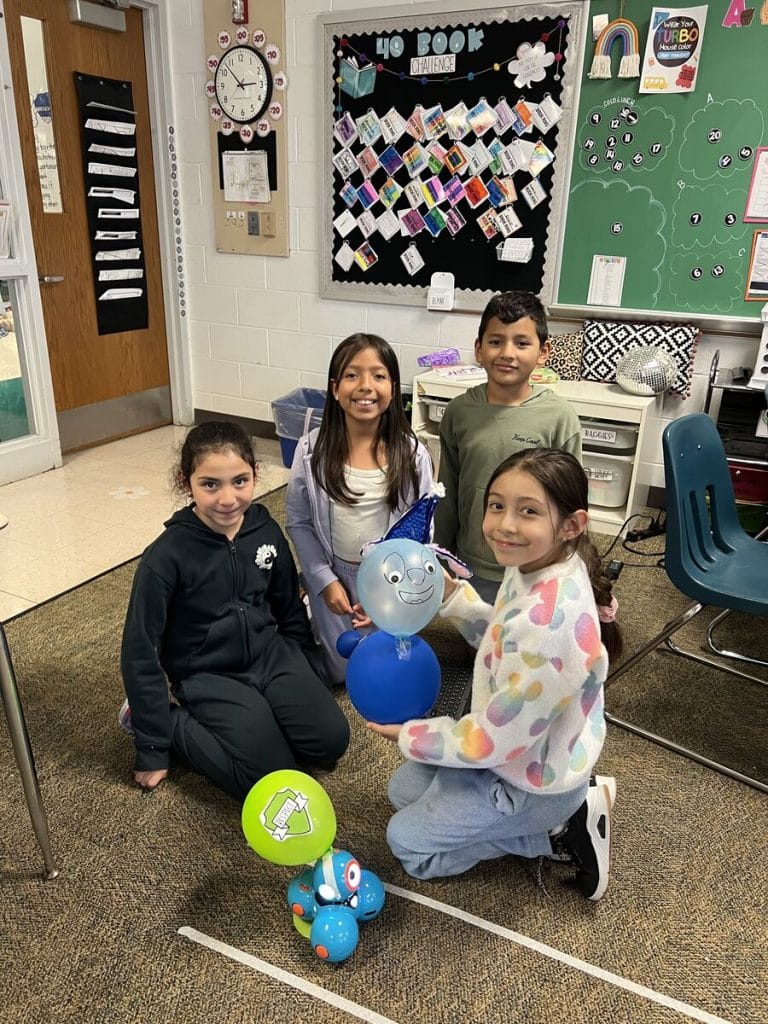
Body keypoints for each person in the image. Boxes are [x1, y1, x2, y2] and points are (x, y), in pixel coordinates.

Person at [369, 448, 622, 900]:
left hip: (525, 781)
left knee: (407, 844)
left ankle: (559, 830)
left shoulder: (549, 629)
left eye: (528, 511)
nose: (505, 524)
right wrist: (454, 599)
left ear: (571, 525)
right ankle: (557, 812)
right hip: (523, 747)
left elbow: (492, 741)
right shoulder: (537, 564)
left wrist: (410, 735)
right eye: (497, 505)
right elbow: (506, 639)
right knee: (403, 791)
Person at [119, 421, 350, 800]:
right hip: (207, 673)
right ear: (186, 482)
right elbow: (139, 649)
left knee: (330, 745)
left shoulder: (265, 530)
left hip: (270, 658)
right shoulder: (165, 557)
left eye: (240, 481)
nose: (228, 498)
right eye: (211, 484)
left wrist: (309, 675)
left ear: (255, 475)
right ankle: (169, 722)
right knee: (270, 781)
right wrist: (153, 745)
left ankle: (265, 718)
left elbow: (289, 608)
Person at [286, 332, 434, 685]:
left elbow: (422, 529)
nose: (365, 386)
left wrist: (385, 590)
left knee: (387, 670)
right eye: (353, 375)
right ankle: (309, 603)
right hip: (335, 576)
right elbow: (299, 521)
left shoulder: (412, 454)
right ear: (335, 389)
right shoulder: (310, 451)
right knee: (340, 669)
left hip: (390, 578)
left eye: (378, 376)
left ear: (394, 388)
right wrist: (323, 581)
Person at [434, 291, 582, 604]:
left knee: (528, 642)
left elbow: (570, 501)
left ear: (543, 352)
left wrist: (569, 566)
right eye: (496, 341)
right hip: (474, 560)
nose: (507, 353)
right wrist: (440, 552)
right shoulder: (459, 412)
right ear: (478, 349)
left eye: (522, 343)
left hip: (534, 562)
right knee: (479, 637)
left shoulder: (560, 418)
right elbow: (448, 489)